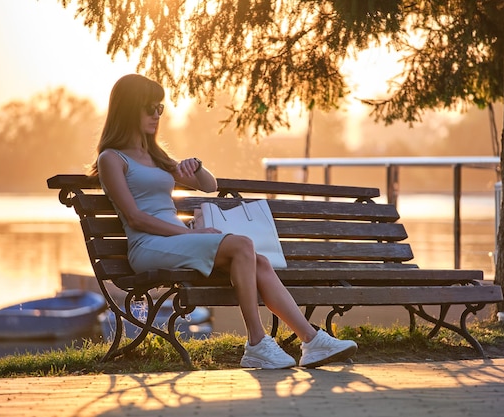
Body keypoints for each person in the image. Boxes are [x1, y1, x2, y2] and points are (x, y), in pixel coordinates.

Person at [91, 74, 357, 368]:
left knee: (260, 262)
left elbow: (208, 185)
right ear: (128, 109)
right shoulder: (112, 159)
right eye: (148, 108)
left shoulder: (155, 156)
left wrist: (196, 167)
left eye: (160, 108)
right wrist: (191, 235)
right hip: (148, 247)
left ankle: (311, 341)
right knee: (242, 245)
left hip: (177, 241)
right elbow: (135, 218)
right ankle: (256, 342)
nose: (156, 115)